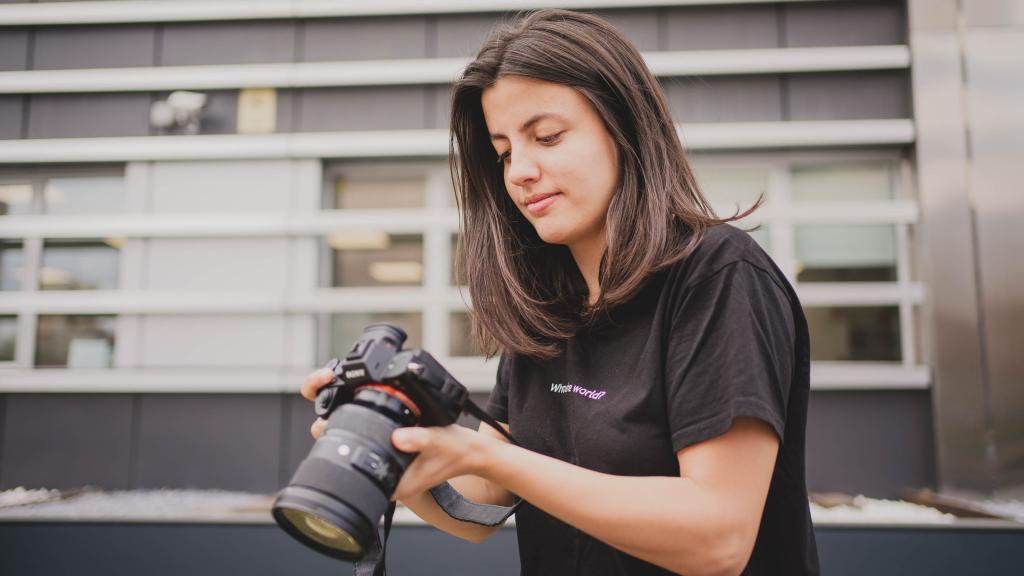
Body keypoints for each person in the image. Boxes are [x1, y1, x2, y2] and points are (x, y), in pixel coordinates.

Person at [303, 9, 820, 576]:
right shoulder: (546, 307)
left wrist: (488, 456)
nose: (519, 171)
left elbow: (717, 537)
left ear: (624, 128)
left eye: (546, 137)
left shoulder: (719, 275)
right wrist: (390, 444)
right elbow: (481, 504)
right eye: (504, 152)